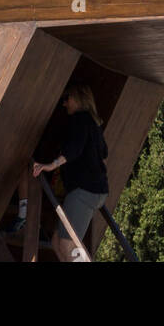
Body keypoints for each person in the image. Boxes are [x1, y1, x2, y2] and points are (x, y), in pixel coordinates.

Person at [33, 85, 110, 261]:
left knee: (66, 243)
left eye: (67, 98)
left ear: (78, 99)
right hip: (93, 191)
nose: (64, 103)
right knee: (57, 241)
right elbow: (104, 155)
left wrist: (51, 165)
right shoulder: (94, 123)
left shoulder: (80, 119)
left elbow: (73, 149)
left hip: (84, 191)